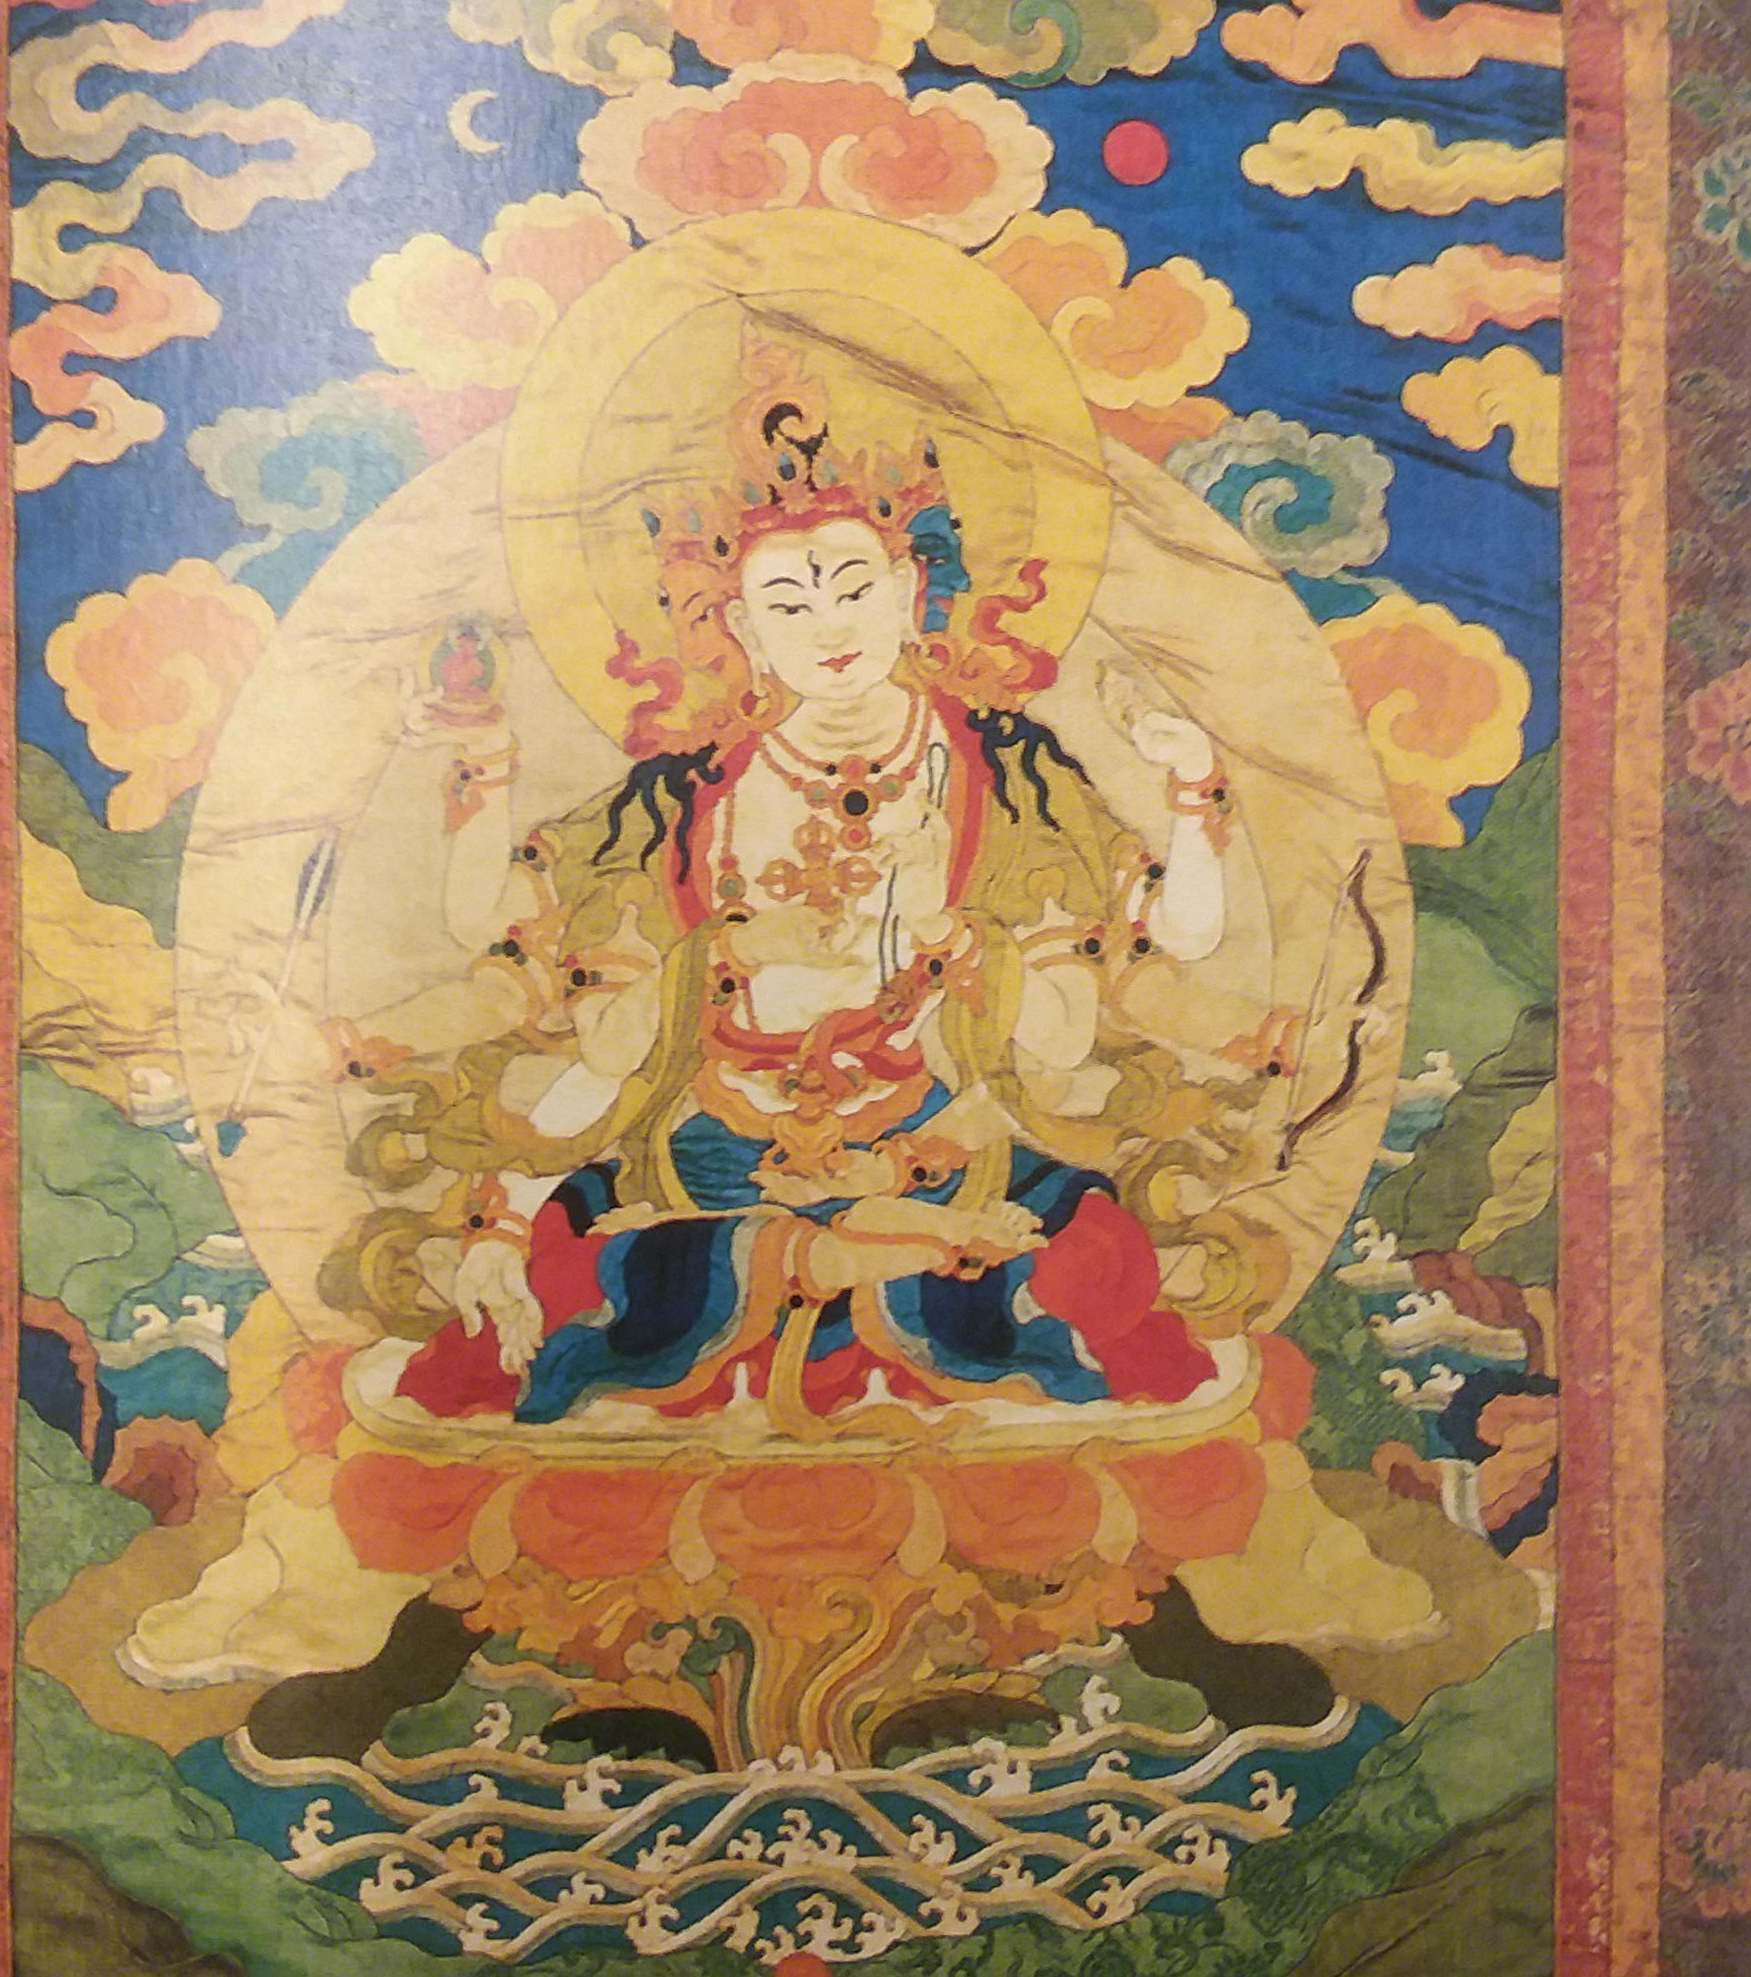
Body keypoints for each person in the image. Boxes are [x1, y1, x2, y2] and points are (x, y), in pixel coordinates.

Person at [323, 355, 1238, 1433]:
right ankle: (823, 1262)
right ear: (743, 631)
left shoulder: (1006, 774)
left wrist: (1191, 787)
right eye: (788, 604)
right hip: (712, 1152)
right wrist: (485, 761)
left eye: (855, 589)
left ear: (910, 592)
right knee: (577, 1283)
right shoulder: (683, 803)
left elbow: (1151, 958)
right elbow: (512, 946)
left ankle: (851, 1264)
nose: (829, 627)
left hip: (936, 1143)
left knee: (1095, 1261)